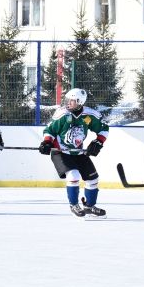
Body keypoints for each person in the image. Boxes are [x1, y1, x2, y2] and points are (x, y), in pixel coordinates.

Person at [38, 88, 108, 218]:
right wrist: (47, 142)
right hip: (60, 151)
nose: (68, 103)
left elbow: (104, 129)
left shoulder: (89, 116)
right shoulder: (63, 114)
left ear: (79, 102)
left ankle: (89, 206)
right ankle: (74, 205)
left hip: (78, 152)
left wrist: (98, 143)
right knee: (74, 175)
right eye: (67, 100)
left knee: (93, 179)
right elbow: (49, 130)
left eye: (72, 101)